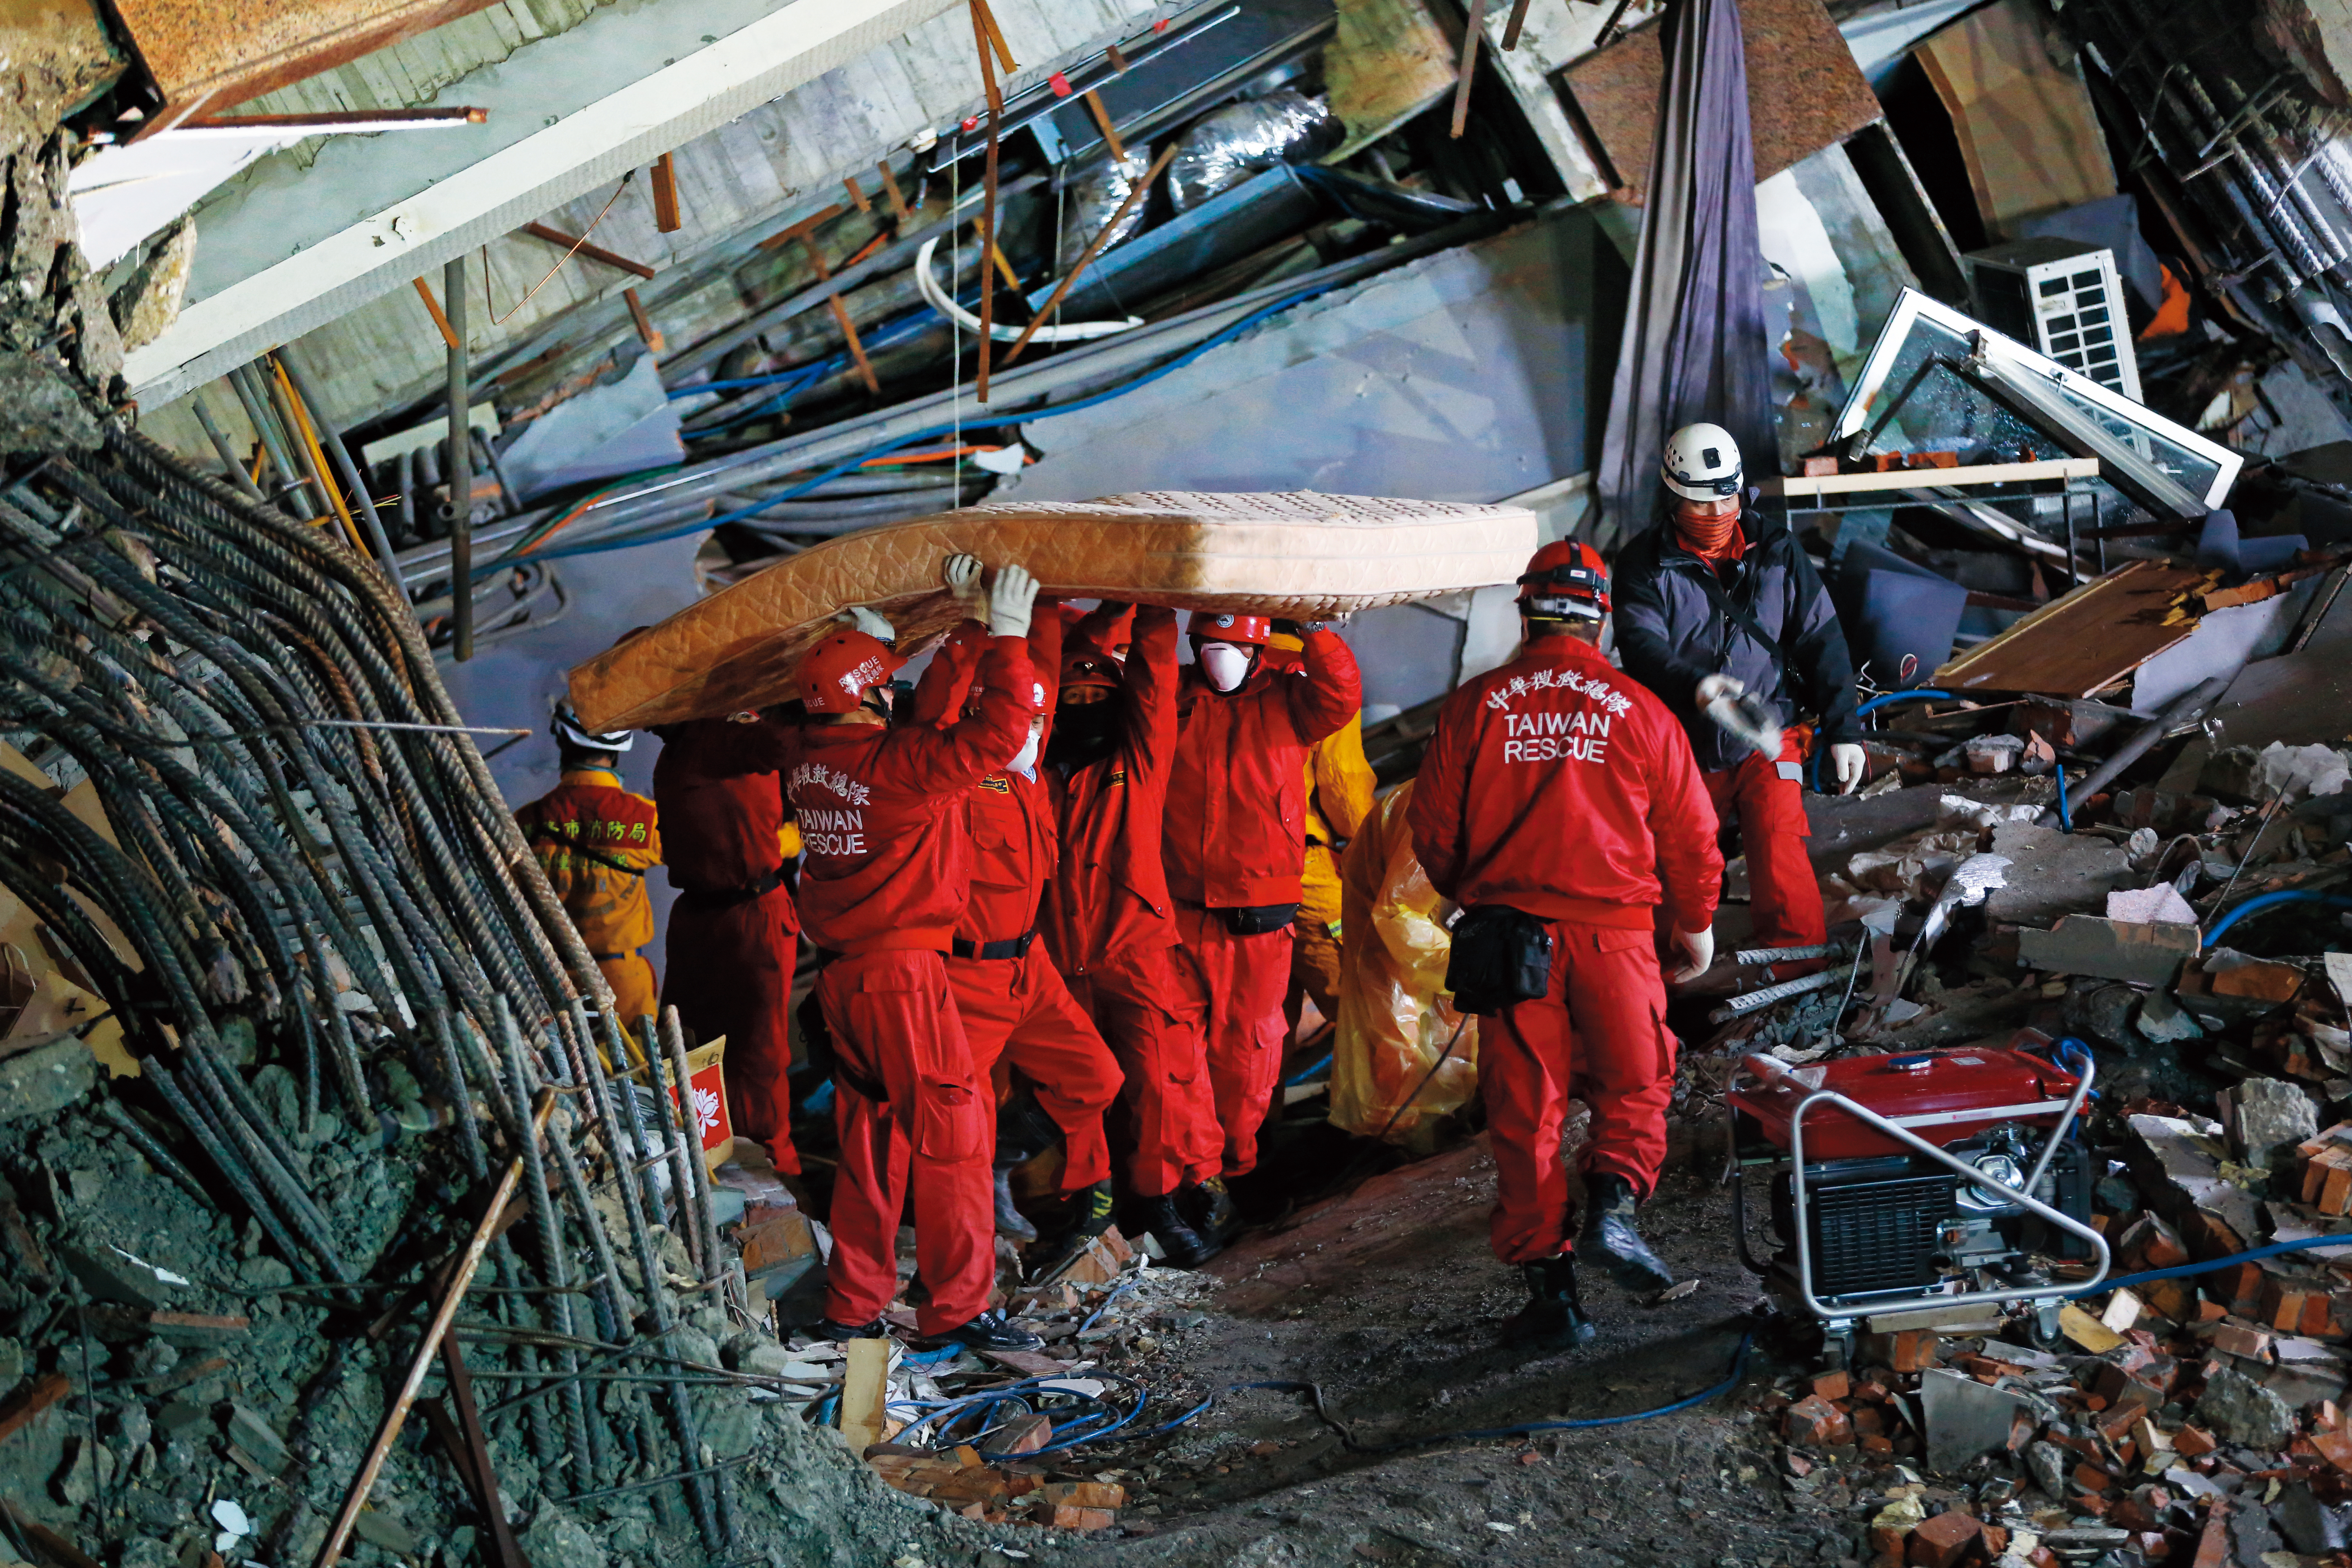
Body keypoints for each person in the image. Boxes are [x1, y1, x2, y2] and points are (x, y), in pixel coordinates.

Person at [1408, 541, 1724, 1349]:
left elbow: (1434, 830)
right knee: (1636, 1082)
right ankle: (1614, 1213)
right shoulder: (1640, 708)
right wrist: (1695, 921)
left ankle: (1553, 1300)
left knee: (1526, 1114)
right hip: (1617, 937)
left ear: (1527, 612)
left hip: (1513, 941)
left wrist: (1473, 892)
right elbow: (1691, 834)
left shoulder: (1477, 705)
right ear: (1601, 618)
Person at [786, 564, 1047, 1351]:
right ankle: (961, 1309)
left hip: (842, 978)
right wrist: (1008, 637)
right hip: (904, 979)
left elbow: (909, 720)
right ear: (870, 694)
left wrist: (962, 632)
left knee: (871, 1140)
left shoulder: (810, 760)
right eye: (884, 679)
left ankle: (853, 1304)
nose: (894, 693)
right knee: (955, 1137)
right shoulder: (896, 768)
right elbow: (997, 735)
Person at [912, 557, 1124, 1276]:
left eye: (1042, 718)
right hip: (966, 977)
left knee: (1096, 1077)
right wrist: (974, 629)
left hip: (1027, 969)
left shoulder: (1032, 781)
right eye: (1023, 718)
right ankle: (967, 1275)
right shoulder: (955, 777)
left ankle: (1071, 1193)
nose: (1035, 729)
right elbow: (933, 713)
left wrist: (1028, 625)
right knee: (954, 1136)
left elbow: (1042, 680)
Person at [1612, 423, 1864, 964]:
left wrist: (1846, 728)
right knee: (1674, 869)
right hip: (1682, 749)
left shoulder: (1777, 550)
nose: (1717, 513)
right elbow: (1641, 647)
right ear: (1672, 496)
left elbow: (1821, 635)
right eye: (1701, 504)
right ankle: (1658, 989)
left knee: (1781, 851)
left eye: (1727, 498)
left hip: (1766, 735)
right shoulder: (1642, 564)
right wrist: (1697, 687)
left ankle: (1797, 976)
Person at [1040, 605, 1225, 1265]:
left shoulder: (1137, 762)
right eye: (1075, 696)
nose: (1087, 704)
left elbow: (1153, 690)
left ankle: (1159, 1205)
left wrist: (1152, 604)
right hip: (1063, 966)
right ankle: (1100, 1207)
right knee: (1080, 1097)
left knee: (1153, 1089)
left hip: (1136, 955)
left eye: (1099, 695)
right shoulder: (1040, 777)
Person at [1165, 612, 1362, 1193]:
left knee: (1239, 1042)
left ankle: (1237, 1163)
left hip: (1234, 895)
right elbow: (1346, 788)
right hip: (1274, 880)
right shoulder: (1292, 678)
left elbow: (1340, 706)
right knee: (1273, 1032)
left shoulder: (1270, 692)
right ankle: (1235, 1165)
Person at [653, 708, 804, 1178]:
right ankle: (708, 1161)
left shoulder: (713, 733)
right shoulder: (681, 746)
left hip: (748, 915)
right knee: (689, 1044)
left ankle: (770, 1171)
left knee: (756, 1054)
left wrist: (790, 707)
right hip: (702, 915)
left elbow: (778, 748)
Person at [1265, 625, 1378, 1042]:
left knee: (1266, 1025)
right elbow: (1342, 785)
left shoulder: (1232, 671)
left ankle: (1261, 1111)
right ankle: (1392, 1107)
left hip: (1236, 879)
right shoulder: (1323, 678)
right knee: (1365, 1006)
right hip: (1304, 870)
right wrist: (1376, 850)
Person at [517, 706, 662, 1030]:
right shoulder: (644, 818)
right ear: (619, 751)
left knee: (573, 1077)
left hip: (554, 988)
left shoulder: (524, 823)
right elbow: (714, 854)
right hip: (623, 983)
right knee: (641, 1073)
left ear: (562, 745)